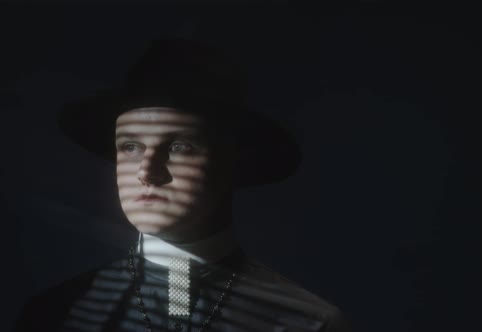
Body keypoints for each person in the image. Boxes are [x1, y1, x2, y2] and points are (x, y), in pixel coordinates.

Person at [16, 39, 352, 332]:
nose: (147, 171)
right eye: (131, 147)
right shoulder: (55, 315)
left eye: (179, 147)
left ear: (232, 162)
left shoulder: (308, 324)